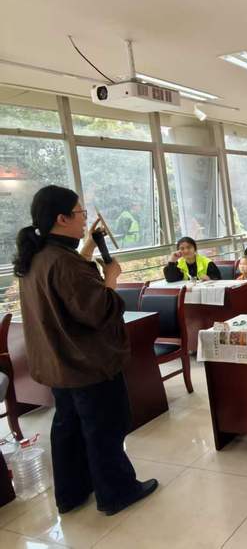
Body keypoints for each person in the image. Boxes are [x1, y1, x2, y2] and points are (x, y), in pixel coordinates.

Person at [14, 185, 157, 516]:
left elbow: (69, 289)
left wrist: (89, 247)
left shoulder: (37, 257)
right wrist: (112, 278)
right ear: (61, 218)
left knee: (69, 428)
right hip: (87, 363)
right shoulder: (64, 262)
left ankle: (71, 493)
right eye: (80, 213)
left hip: (59, 364)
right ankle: (117, 492)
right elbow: (99, 311)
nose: (84, 220)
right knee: (104, 428)